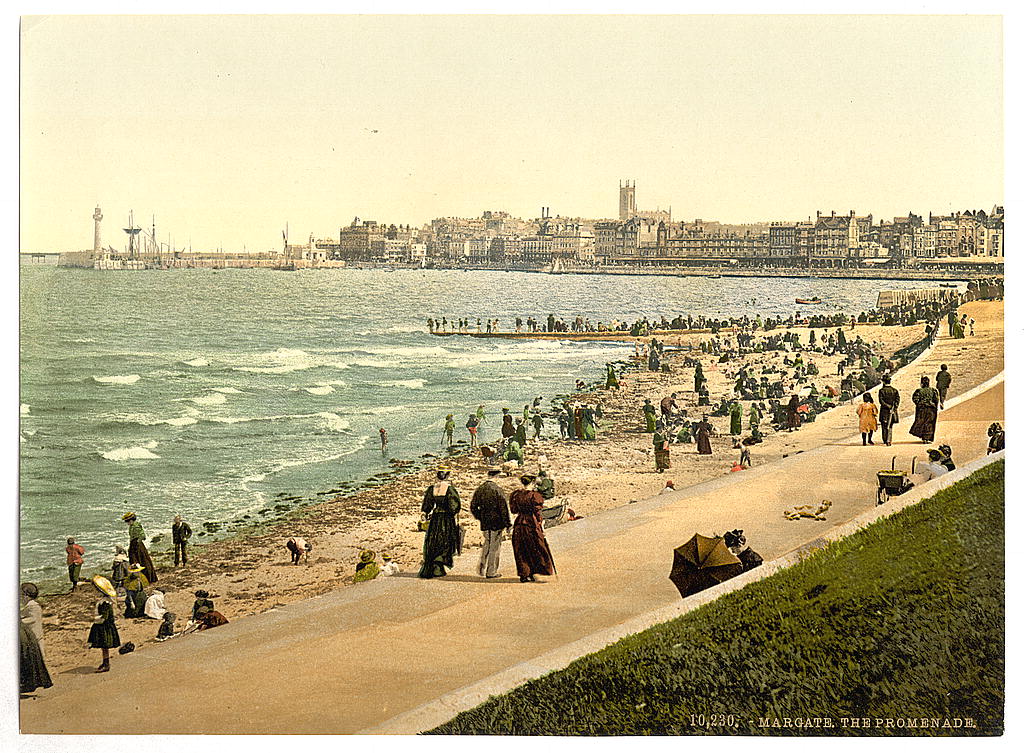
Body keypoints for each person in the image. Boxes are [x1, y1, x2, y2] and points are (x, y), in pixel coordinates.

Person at [509, 475, 556, 583]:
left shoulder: (516, 495)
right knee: (537, 547)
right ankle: (537, 571)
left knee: (521, 549)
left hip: (519, 523)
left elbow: (514, 510)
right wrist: (542, 527)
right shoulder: (534, 496)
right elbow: (537, 513)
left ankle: (525, 574)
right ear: (533, 483)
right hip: (531, 523)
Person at [418, 469, 462, 578]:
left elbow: (427, 504)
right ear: (447, 476)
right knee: (445, 541)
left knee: (434, 541)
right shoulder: (449, 489)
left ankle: (434, 566)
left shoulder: (432, 488)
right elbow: (454, 507)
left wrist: (425, 513)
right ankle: (438, 567)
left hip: (436, 518)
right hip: (446, 518)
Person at [470, 468, 511, 579]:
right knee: (494, 547)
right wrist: (508, 524)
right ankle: (491, 572)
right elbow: (504, 509)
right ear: (496, 477)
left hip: (485, 522)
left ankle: (481, 568)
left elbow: (473, 506)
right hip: (497, 522)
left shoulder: (480, 489)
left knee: (487, 545)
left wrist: (480, 517)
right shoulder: (497, 490)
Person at [88, 592, 120, 673]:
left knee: (104, 645)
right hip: (106, 626)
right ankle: (105, 662)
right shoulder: (107, 602)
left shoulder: (104, 603)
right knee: (104, 647)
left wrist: (94, 619)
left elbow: (104, 617)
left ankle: (106, 664)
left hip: (104, 627)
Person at [122, 512, 157, 584]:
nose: (127, 523)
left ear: (131, 520)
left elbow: (143, 536)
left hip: (137, 546)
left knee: (142, 561)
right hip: (133, 545)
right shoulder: (131, 526)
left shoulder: (136, 526)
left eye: (128, 521)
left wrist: (137, 541)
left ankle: (146, 578)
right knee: (135, 561)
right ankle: (138, 579)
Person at [910, 376, 940, 443]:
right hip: (931, 409)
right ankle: (927, 438)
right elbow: (936, 399)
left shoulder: (919, 391)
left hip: (922, 409)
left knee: (922, 422)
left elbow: (915, 399)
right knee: (929, 423)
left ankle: (924, 438)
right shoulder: (933, 390)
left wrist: (920, 404)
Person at [21, 583, 45, 661]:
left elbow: (32, 619)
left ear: (26, 596)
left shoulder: (33, 606)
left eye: (22, 595)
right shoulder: (30, 605)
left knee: (36, 660)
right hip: (35, 637)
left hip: (35, 637)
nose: (20, 597)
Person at [878, 375, 901, 447]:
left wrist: (888, 406)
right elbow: (897, 400)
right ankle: (889, 440)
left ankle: (885, 440)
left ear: (884, 382)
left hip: (884, 411)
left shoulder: (881, 391)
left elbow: (881, 401)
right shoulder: (895, 390)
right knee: (890, 426)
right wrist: (894, 407)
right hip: (892, 411)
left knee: (884, 426)